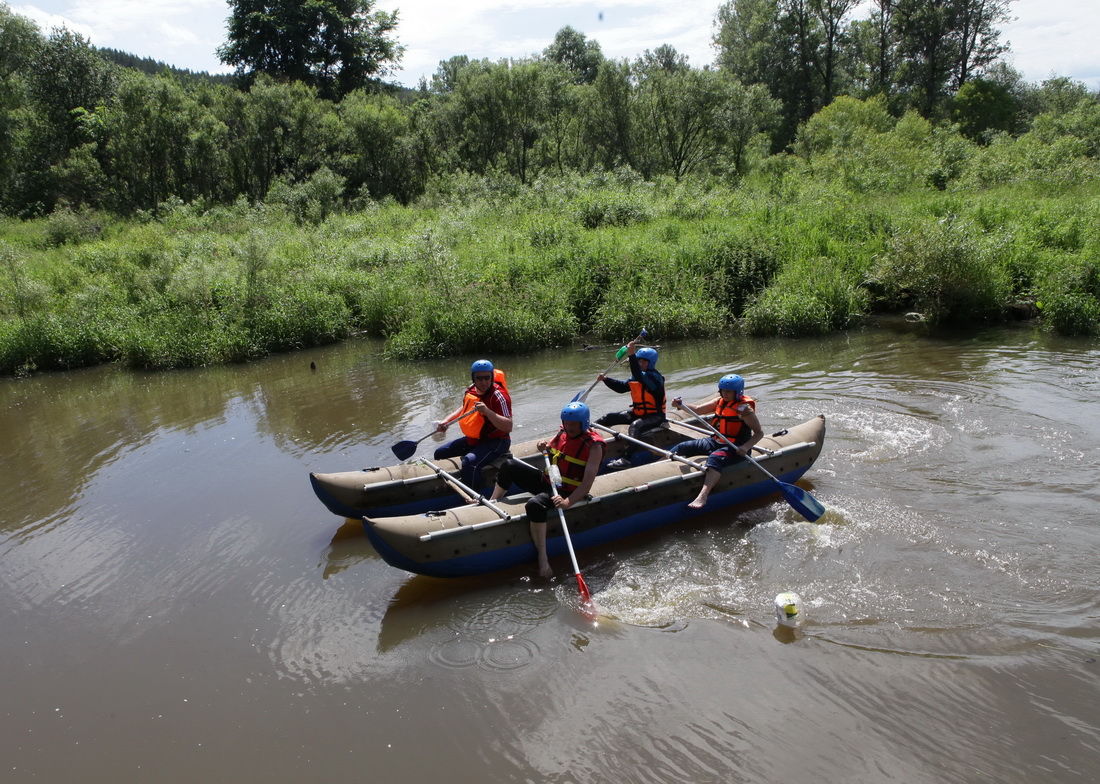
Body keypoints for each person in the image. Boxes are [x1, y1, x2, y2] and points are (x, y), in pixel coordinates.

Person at [487, 402, 605, 578]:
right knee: (509, 465)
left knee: (534, 505)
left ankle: (543, 559)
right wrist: (544, 446)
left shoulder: (594, 446)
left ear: (584, 423)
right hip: (548, 481)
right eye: (567, 423)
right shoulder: (563, 432)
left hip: (566, 491)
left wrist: (568, 502)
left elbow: (587, 483)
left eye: (574, 425)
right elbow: (551, 449)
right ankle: (493, 500)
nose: (570, 428)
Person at [669, 373, 763, 510]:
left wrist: (746, 447)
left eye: (729, 391)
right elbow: (698, 410)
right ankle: (654, 466)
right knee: (682, 447)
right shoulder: (720, 401)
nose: (725, 394)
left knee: (715, 459)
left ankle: (703, 495)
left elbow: (759, 433)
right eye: (723, 390)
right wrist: (681, 405)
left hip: (736, 446)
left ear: (737, 392)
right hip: (715, 441)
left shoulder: (744, 409)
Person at [434, 359, 513, 491]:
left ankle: (475, 495)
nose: (483, 382)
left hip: (497, 441)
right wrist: (446, 421)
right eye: (479, 378)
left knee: (469, 463)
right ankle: (444, 489)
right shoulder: (471, 390)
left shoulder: (499, 396)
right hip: (476, 439)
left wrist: (487, 411)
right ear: (473, 378)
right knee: (440, 453)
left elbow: (508, 426)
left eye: (487, 378)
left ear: (492, 377)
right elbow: (464, 408)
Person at [595, 341, 666, 468]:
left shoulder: (654, 377)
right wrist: (606, 380)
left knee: (635, 426)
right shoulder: (637, 377)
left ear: (651, 363)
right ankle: (587, 431)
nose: (640, 364)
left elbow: (639, 375)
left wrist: (632, 354)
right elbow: (621, 388)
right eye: (639, 361)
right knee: (607, 417)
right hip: (638, 413)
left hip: (655, 416)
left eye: (644, 362)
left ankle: (626, 459)